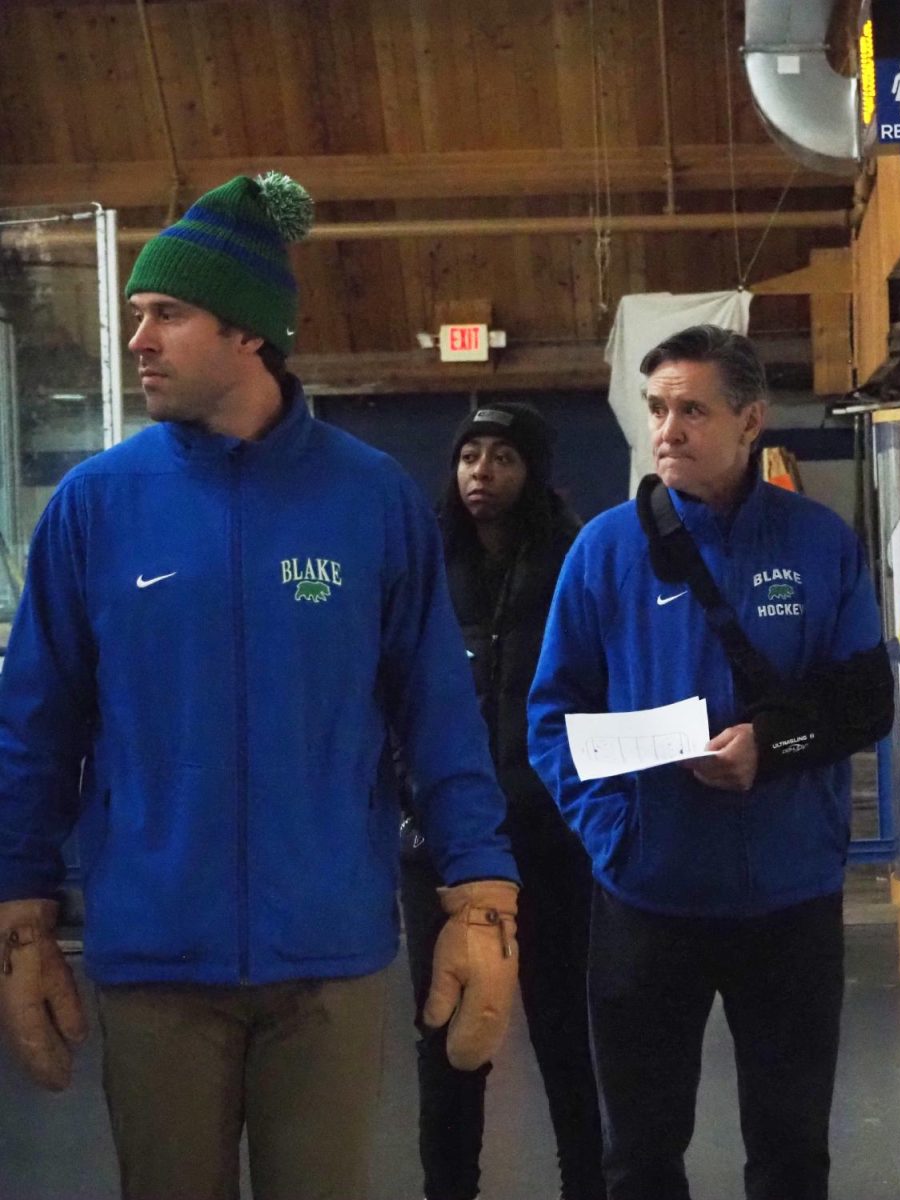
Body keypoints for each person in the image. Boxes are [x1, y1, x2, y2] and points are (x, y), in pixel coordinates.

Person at [0, 172, 520, 1200]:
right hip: (155, 956)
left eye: (166, 314)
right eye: (138, 314)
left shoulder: (369, 501)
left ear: (249, 335)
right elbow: (36, 730)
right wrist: (21, 917)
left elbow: (436, 714)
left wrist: (482, 894)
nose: (139, 340)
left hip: (328, 954)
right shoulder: (96, 509)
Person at [528, 324, 894, 1200]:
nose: (668, 430)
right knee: (642, 1157)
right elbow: (552, 719)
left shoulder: (817, 543)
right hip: (649, 901)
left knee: (791, 1150)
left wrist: (771, 750)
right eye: (657, 408)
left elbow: (864, 702)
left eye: (692, 409)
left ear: (751, 419)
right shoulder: (605, 552)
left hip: (790, 901)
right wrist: (616, 836)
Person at [399, 402, 605, 1200]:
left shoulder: (573, 564)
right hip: (442, 846)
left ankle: (587, 1185)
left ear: (536, 471)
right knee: (446, 1034)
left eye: (504, 458)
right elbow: (393, 692)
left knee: (565, 1032)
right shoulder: (424, 564)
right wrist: (411, 800)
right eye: (470, 456)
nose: (482, 472)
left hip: (551, 841)